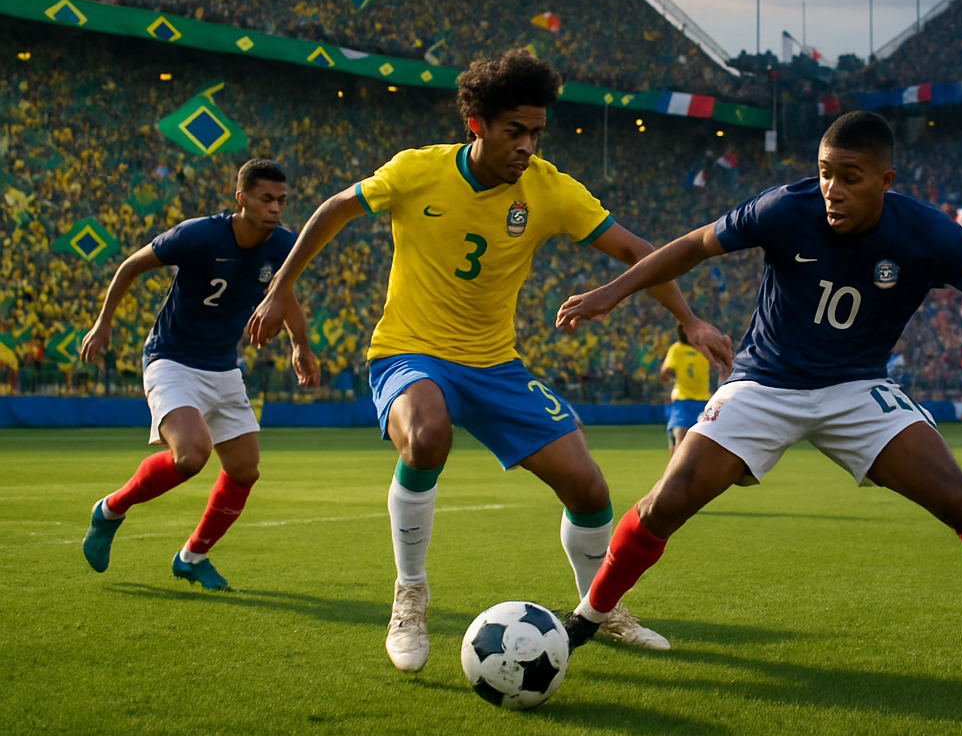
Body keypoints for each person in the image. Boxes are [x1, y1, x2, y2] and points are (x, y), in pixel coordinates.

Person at [555, 111, 962, 685]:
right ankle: (586, 619)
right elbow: (696, 244)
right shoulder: (785, 208)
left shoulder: (929, 234)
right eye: (826, 173)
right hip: (764, 381)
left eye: (850, 177)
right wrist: (612, 293)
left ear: (885, 181)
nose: (833, 188)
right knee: (667, 501)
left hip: (857, 387)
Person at [245, 50, 731, 673]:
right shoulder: (417, 170)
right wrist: (281, 287)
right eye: (514, 131)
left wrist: (689, 320)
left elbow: (638, 250)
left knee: (588, 487)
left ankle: (600, 608)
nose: (527, 145)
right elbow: (335, 207)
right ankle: (410, 595)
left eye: (536, 133)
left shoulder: (550, 189)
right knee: (427, 436)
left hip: (496, 365)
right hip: (410, 352)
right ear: (476, 125)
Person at [78, 159, 318, 590]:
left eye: (281, 201)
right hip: (172, 359)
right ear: (241, 198)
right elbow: (131, 266)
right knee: (191, 456)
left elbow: (284, 293)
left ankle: (192, 556)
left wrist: (300, 343)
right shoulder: (198, 235)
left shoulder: (283, 244)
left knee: (244, 471)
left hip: (223, 367)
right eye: (266, 199)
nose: (275, 208)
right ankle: (110, 510)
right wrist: (103, 322)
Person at [659, 325, 713, 455]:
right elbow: (664, 373)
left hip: (704, 401)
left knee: (704, 442)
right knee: (680, 436)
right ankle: (676, 467)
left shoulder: (705, 349)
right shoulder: (677, 349)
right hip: (683, 400)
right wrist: (674, 381)